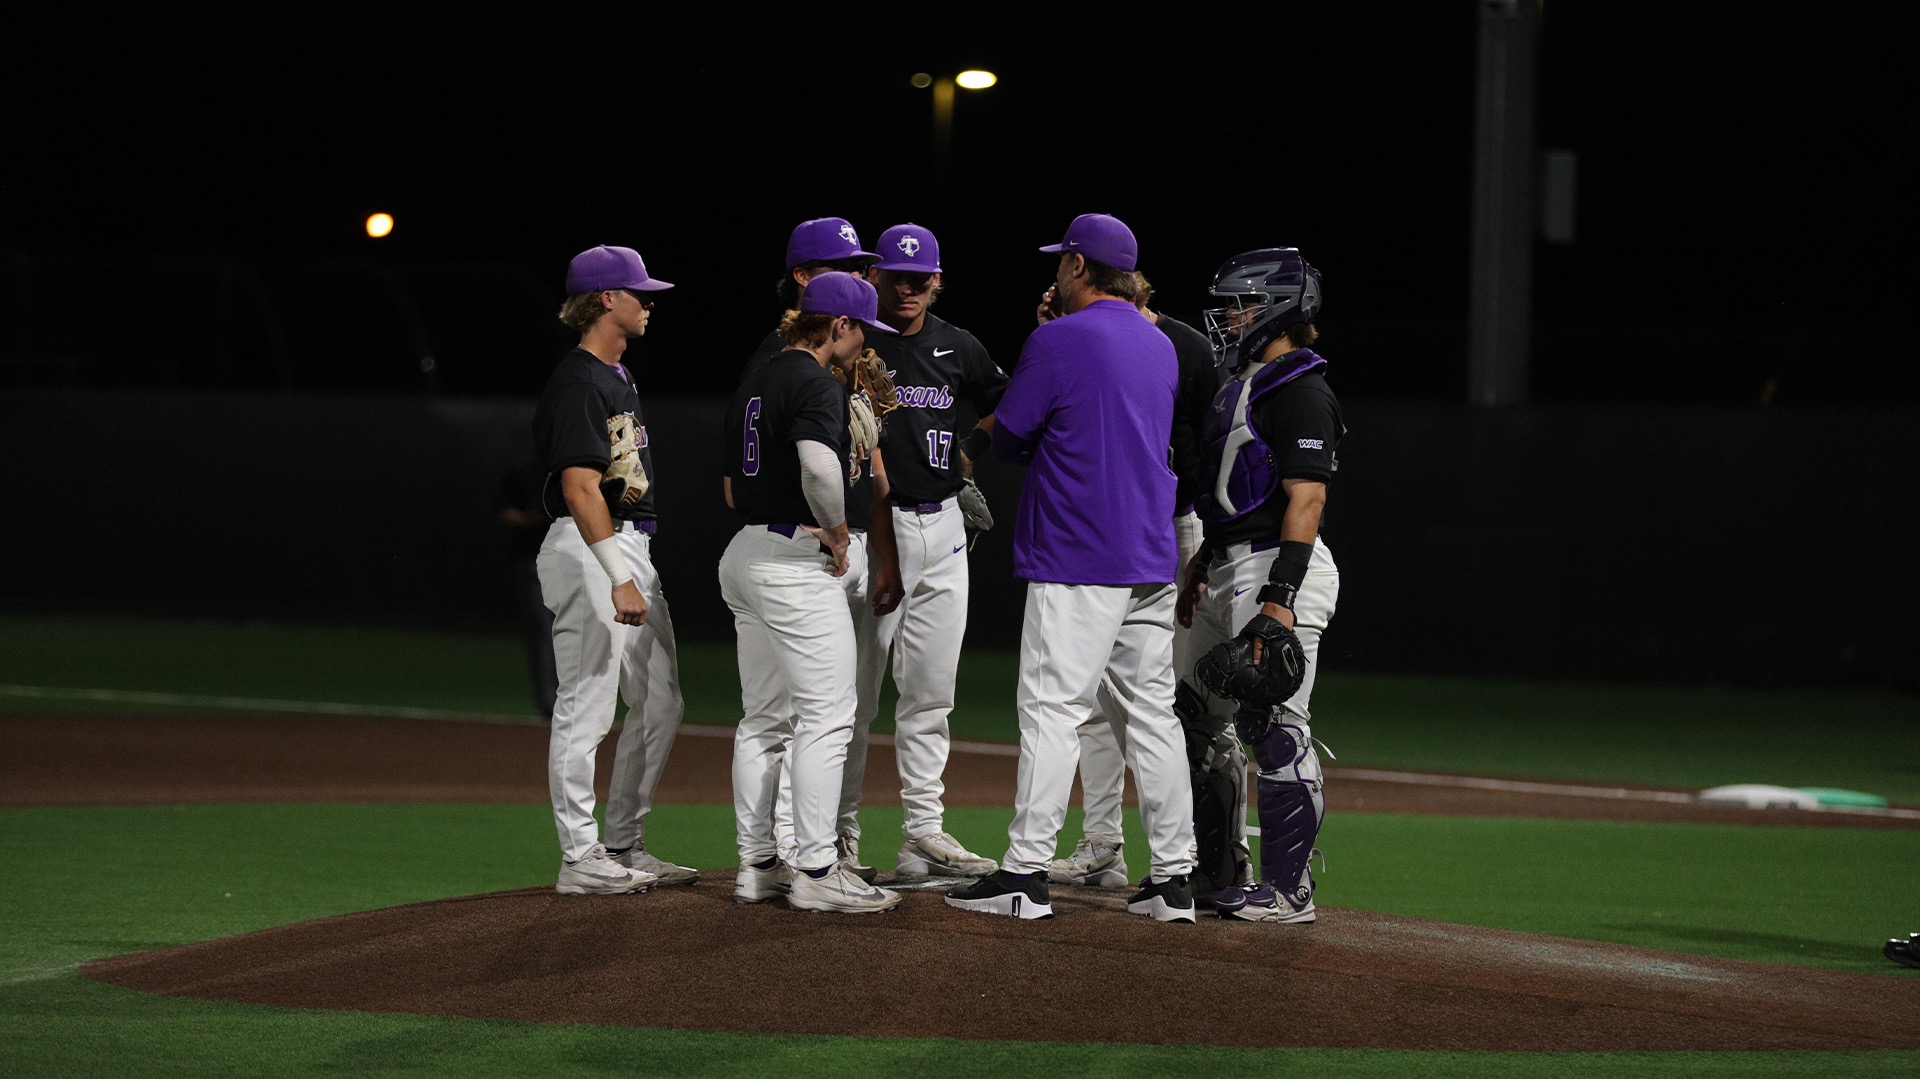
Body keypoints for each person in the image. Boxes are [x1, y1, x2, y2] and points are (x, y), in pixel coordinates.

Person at [945, 214, 1197, 922]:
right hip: (1148, 554)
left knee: (1051, 710)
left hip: (1080, 551)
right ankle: (1174, 880)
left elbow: (1012, 437)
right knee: (1152, 717)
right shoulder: (1158, 343)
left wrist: (1047, 342)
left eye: (1062, 261)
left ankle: (1024, 874)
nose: (1056, 270)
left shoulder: (1056, 339)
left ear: (1079, 266)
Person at [721, 271, 905, 914]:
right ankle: (819, 870)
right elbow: (820, 466)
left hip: (746, 550)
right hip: (795, 562)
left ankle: (758, 866)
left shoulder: (758, 377)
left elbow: (732, 486)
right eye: (861, 332)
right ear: (839, 325)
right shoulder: (815, 380)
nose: (864, 346)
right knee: (828, 716)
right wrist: (838, 532)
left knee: (763, 719)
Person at [1177, 247, 1343, 921]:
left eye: (1241, 305)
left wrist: (1280, 601)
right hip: (1227, 563)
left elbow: (1307, 499)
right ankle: (1220, 869)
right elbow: (1229, 497)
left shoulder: (1301, 389)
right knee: (1193, 715)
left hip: (1277, 566)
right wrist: (1201, 563)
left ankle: (1289, 890)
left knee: (1273, 726)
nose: (1229, 318)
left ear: (1278, 309)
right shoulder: (1239, 382)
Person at [533, 244, 697, 895]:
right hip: (592, 548)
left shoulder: (616, 375)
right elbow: (579, 487)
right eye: (639, 293)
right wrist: (618, 575)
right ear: (606, 299)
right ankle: (580, 856)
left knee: (661, 701)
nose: (649, 303)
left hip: (627, 548)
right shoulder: (580, 381)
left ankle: (623, 842)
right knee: (587, 705)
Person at [1050, 270, 1222, 888]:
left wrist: (1206, 548)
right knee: (1096, 699)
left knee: (1171, 701)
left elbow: (1211, 449)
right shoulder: (1084, 340)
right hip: (1112, 534)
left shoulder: (1185, 346)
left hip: (1175, 531)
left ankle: (1201, 858)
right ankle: (1103, 843)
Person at [858, 222, 1007, 878]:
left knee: (930, 694)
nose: (909, 289)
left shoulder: (958, 345)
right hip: (873, 531)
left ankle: (922, 834)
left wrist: (971, 449)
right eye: (898, 278)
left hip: (944, 527)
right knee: (854, 696)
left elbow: (1009, 401)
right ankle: (836, 838)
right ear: (875, 276)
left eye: (920, 279)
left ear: (937, 280)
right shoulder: (855, 340)